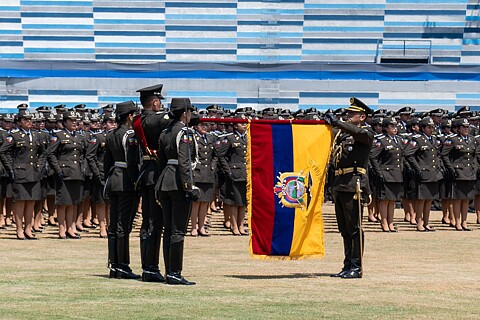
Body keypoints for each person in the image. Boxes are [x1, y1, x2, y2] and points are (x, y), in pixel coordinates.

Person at [325, 97, 373, 279]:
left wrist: (337, 122)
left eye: (352, 114)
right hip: (340, 184)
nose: (348, 116)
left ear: (362, 117)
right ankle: (347, 264)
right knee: (344, 229)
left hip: (354, 185)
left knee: (354, 228)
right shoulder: (343, 134)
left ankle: (356, 266)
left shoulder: (365, 133)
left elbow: (356, 132)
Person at [156, 98, 198, 285]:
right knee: (178, 231)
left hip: (165, 180)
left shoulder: (165, 132)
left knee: (168, 230)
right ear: (184, 113)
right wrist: (189, 186)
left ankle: (169, 271)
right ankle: (174, 272)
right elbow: (184, 162)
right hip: (179, 183)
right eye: (189, 112)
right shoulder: (184, 132)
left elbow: (161, 161)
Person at [133, 84, 172, 283]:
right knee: (153, 223)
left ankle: (149, 267)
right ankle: (150, 267)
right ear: (155, 102)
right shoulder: (152, 119)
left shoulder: (139, 118)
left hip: (148, 173)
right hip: (154, 174)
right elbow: (174, 118)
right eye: (159, 101)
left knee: (149, 224)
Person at [104, 101, 141, 279]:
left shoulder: (111, 134)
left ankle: (114, 265)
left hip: (114, 179)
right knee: (123, 226)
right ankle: (123, 266)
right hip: (126, 180)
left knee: (114, 225)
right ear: (129, 116)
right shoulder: (130, 135)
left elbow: (106, 162)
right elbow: (133, 162)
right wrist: (137, 182)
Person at [0, 109, 46, 240]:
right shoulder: (14, 135)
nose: (29, 122)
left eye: (30, 119)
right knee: (20, 202)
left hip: (33, 172)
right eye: (26, 120)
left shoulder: (36, 135)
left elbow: (44, 152)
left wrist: (40, 165)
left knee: (31, 202)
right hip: (19, 172)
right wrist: (11, 168)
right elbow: (3, 151)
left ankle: (28, 229)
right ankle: (19, 229)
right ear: (19, 122)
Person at [47, 110, 87, 239]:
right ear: (64, 122)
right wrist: (58, 169)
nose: (75, 123)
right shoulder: (58, 135)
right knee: (63, 202)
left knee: (73, 202)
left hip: (76, 172)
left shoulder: (80, 137)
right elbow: (50, 153)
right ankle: (62, 229)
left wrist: (83, 167)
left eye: (76, 121)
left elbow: (84, 154)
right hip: (64, 173)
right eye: (71, 120)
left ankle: (71, 227)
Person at [404, 117, 443, 232]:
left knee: (429, 199)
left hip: (433, 173)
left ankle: (426, 223)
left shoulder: (434, 139)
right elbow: (408, 154)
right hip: (423, 173)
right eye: (429, 127)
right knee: (421, 200)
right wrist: (418, 168)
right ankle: (419, 223)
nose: (431, 129)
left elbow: (437, 155)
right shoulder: (418, 139)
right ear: (422, 128)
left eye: (432, 127)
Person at [441, 118, 477, 231]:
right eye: (463, 127)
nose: (466, 129)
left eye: (467, 127)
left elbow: (475, 155)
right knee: (457, 198)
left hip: (469, 172)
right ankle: (457, 222)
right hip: (458, 172)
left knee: (466, 198)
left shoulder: (472, 140)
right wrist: (451, 168)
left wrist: (474, 167)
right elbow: (444, 155)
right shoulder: (452, 140)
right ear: (458, 129)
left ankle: (464, 222)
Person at [369, 117, 404, 232]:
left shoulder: (398, 140)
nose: (395, 128)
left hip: (396, 173)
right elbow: (373, 157)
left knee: (392, 200)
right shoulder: (381, 140)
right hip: (386, 172)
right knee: (384, 200)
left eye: (395, 126)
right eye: (392, 126)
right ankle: (384, 222)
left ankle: (391, 222)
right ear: (385, 128)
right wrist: (379, 172)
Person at [216, 113, 248, 236]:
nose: (244, 125)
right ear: (235, 125)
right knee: (234, 201)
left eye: (245, 123)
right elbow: (220, 154)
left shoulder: (248, 138)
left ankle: (241, 225)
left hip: (245, 173)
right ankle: (234, 226)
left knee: (243, 202)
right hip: (234, 173)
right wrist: (227, 170)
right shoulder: (230, 138)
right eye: (241, 123)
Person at [189, 113, 218, 237]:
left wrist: (213, 166)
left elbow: (215, 155)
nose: (205, 127)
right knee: (196, 202)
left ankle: (201, 227)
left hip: (208, 173)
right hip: (197, 172)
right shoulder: (193, 137)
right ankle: (193, 227)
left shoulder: (211, 138)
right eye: (202, 125)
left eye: (206, 125)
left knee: (205, 201)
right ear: (195, 126)